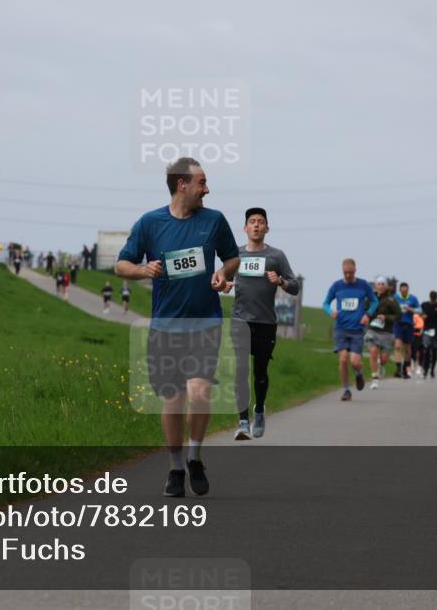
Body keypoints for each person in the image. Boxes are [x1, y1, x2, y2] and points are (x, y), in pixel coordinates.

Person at [115, 157, 239, 497]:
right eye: (201, 182)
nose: (207, 188)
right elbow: (121, 265)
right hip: (166, 326)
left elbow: (232, 258)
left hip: (205, 323)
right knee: (172, 398)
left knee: (199, 392)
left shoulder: (214, 220)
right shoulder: (150, 223)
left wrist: (223, 274)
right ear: (181, 184)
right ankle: (175, 468)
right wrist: (143, 270)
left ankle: (195, 456)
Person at [223, 207, 299, 440]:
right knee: (240, 370)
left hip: (266, 321)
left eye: (260, 222)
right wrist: (223, 284)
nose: (256, 225)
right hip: (240, 319)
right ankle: (243, 421)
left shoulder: (276, 256)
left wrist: (281, 281)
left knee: (260, 371)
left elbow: (295, 286)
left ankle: (259, 410)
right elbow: (222, 278)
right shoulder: (235, 254)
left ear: (267, 228)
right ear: (245, 228)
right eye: (252, 222)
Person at [323, 259, 378, 401]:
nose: (348, 275)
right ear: (342, 271)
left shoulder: (363, 285)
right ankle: (346, 389)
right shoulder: (337, 286)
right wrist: (331, 312)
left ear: (355, 271)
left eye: (350, 272)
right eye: (345, 272)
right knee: (342, 359)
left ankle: (359, 373)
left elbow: (374, 301)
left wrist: (367, 314)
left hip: (357, 329)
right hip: (341, 328)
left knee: (354, 361)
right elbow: (326, 303)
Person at [364, 276, 402, 390]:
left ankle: (382, 365)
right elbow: (365, 310)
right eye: (378, 284)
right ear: (375, 286)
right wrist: (367, 317)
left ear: (386, 286)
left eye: (382, 284)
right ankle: (374, 378)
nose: (380, 286)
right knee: (373, 352)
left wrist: (386, 317)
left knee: (384, 358)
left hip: (386, 333)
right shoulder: (370, 298)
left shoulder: (391, 300)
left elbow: (398, 316)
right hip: (372, 330)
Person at [393, 282, 419, 379]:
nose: (404, 291)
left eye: (406, 290)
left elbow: (419, 311)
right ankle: (398, 369)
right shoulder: (395, 298)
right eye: (402, 289)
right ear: (400, 290)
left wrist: (410, 309)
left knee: (407, 349)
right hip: (398, 324)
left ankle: (405, 369)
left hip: (409, 325)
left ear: (408, 290)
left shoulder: (413, 298)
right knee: (398, 346)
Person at [420, 290, 437, 378]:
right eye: (432, 298)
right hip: (427, 329)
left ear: (436, 298)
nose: (433, 299)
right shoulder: (424, 305)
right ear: (430, 297)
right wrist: (423, 317)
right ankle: (425, 369)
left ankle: (432, 370)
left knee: (434, 350)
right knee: (426, 349)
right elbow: (419, 315)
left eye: (434, 298)